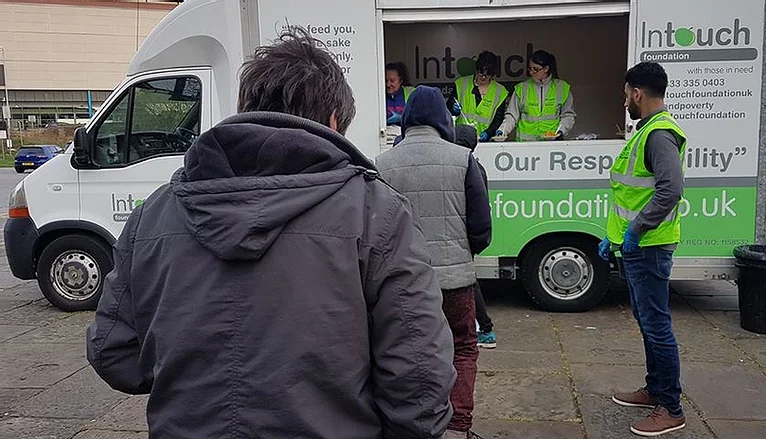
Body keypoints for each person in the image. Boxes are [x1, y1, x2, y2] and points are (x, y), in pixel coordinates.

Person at [87, 28, 457, 439]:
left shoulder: (152, 215)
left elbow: (114, 353)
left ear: (248, 107)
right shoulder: (376, 212)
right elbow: (420, 379)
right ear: (334, 122)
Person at [376, 87, 492, 439]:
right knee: (463, 347)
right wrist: (461, 255)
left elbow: (376, 228)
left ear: (408, 118)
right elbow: (481, 229)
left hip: (402, 284)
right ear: (444, 117)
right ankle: (457, 428)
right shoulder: (463, 159)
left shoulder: (381, 164)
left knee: (405, 355)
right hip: (455, 282)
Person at [599, 61, 686, 437]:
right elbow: (634, 191)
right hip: (638, 246)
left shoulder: (658, 135)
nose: (625, 100)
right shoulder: (647, 131)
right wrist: (616, 238)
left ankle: (670, 407)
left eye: (626, 93)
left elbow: (670, 190)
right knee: (647, 322)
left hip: (649, 246)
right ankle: (655, 390)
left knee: (656, 325)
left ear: (637, 92)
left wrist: (635, 230)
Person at [454, 124, 497, 348]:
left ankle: (486, 329)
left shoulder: (463, 166)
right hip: (469, 235)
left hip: (461, 235)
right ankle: (483, 328)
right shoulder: (476, 166)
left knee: (469, 283)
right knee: (470, 281)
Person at [498, 50, 576, 141]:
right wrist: (502, 131)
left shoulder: (562, 88)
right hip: (525, 145)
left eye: (535, 69)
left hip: (551, 143)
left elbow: (568, 115)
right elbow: (511, 116)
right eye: (530, 68)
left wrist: (561, 132)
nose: (531, 72)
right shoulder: (521, 88)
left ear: (546, 69)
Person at [450, 51, 510, 142]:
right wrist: (453, 109)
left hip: (485, 141)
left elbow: (498, 119)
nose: (483, 77)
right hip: (461, 138)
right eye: (480, 73)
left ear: (493, 74)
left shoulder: (500, 91)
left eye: (487, 75)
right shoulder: (461, 84)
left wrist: (489, 132)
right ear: (476, 69)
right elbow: (448, 108)